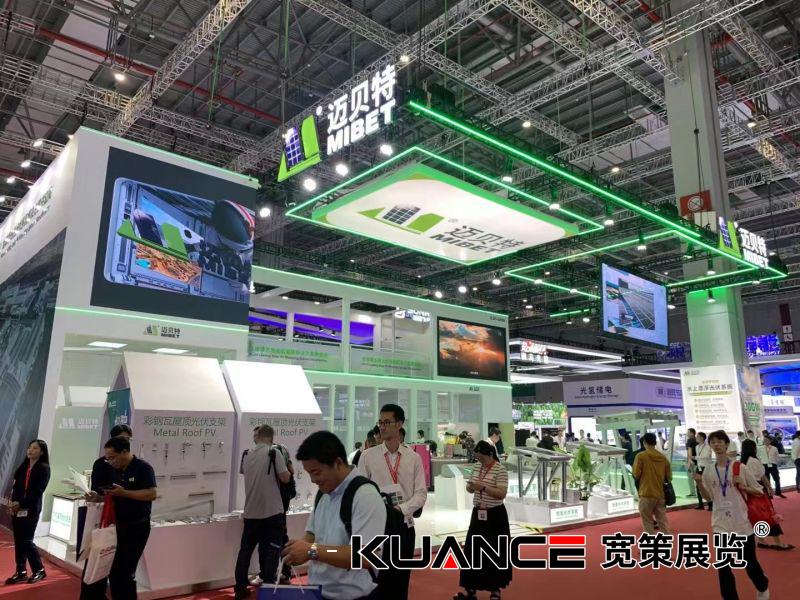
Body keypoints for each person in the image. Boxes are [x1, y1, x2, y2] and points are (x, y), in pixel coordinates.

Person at [283, 431, 386, 600]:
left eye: (316, 472)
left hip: (353, 596)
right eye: (309, 473)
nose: (313, 480)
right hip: (318, 592)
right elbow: (312, 535)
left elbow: (364, 556)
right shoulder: (323, 493)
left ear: (337, 463)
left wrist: (311, 551)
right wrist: (296, 549)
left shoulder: (365, 495)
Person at [359, 404, 427, 600]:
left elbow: (421, 494)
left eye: (387, 422)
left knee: (400, 583)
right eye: (380, 422)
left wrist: (399, 509)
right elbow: (360, 491)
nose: (382, 426)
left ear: (399, 424)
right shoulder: (368, 456)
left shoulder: (413, 458)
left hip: (404, 527)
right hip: (376, 529)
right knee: (376, 584)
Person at [694, 430, 770, 600]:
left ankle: (762, 585)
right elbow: (709, 498)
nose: (716, 445)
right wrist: (699, 484)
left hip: (742, 523)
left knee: (749, 562)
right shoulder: (708, 470)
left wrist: (744, 486)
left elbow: (759, 490)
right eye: (713, 442)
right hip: (720, 524)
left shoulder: (739, 467)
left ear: (727, 444)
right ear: (710, 446)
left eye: (720, 441)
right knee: (724, 567)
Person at [235, 424, 291, 599]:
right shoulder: (274, 453)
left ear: (259, 436)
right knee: (272, 551)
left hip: (251, 513)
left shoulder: (246, 454)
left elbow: (244, 472)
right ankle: (268, 588)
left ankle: (240, 587)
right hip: (272, 512)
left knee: (245, 551)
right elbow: (285, 477)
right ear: (271, 437)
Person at [81, 424, 134, 599]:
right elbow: (99, 491)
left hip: (125, 521)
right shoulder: (101, 464)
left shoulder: (136, 465)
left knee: (120, 567)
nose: (126, 442)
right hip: (104, 518)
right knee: (97, 558)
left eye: (128, 439)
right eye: (123, 438)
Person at [455, 441, 511, 600]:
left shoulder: (500, 469)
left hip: (495, 516)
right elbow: (469, 489)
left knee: (495, 552)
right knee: (472, 551)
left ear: (490, 454)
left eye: (482, 457)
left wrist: (483, 487)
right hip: (478, 514)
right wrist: (471, 487)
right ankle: (470, 588)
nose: (479, 460)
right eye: (477, 457)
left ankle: (495, 590)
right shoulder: (477, 467)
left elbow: (502, 494)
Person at [102, 436, 157, 600]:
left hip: (137, 527)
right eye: (107, 459)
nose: (110, 462)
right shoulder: (115, 470)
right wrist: (98, 497)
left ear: (124, 452)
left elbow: (151, 494)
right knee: (114, 572)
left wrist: (124, 493)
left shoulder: (143, 468)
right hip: (118, 526)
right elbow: (114, 496)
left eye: (112, 458)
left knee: (125, 571)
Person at [5, 440, 50, 585]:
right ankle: (21, 571)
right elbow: (16, 487)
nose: (30, 450)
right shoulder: (24, 466)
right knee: (18, 540)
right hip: (17, 509)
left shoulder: (44, 468)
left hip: (30, 509)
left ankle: (39, 570)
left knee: (26, 540)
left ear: (41, 452)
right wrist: (13, 503)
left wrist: (21, 504)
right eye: (29, 447)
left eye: (35, 448)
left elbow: (38, 491)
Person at [740, 439, 793, 551]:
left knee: (756, 516)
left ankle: (761, 540)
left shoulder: (742, 463)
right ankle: (778, 543)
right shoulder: (754, 461)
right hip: (758, 490)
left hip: (748, 492)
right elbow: (762, 476)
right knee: (770, 515)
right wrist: (769, 487)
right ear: (753, 449)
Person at [632, 433, 671, 535]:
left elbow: (636, 474)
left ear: (644, 442)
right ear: (655, 442)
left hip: (646, 493)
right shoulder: (663, 458)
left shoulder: (641, 456)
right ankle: (667, 541)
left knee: (647, 521)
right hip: (660, 494)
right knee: (662, 521)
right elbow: (669, 477)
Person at [695, 432, 713, 510]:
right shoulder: (696, 447)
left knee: (707, 485)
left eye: (698, 436)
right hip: (699, 467)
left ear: (702, 438)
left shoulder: (708, 446)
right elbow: (700, 457)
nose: (696, 438)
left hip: (706, 467)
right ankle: (700, 504)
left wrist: (696, 457)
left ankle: (710, 504)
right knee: (698, 486)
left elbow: (707, 456)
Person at [685, 427, 699, 499]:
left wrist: (689, 461)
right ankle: (698, 493)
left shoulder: (689, 440)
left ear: (692, 433)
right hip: (697, 461)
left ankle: (693, 493)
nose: (687, 434)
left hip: (692, 462)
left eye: (688, 432)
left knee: (691, 477)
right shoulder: (697, 440)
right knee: (697, 477)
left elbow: (689, 450)